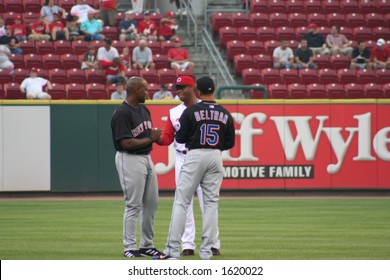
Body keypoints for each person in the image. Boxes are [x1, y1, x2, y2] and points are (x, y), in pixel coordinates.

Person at [163, 76, 235, 260]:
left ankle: (172, 250)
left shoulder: (192, 111)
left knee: (181, 201)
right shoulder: (225, 113)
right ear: (214, 89)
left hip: (194, 155)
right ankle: (207, 251)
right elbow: (230, 142)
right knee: (211, 204)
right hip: (215, 156)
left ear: (198, 91)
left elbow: (179, 139)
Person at [110, 76, 172, 259]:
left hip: (146, 157)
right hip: (128, 158)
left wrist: (156, 137)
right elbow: (126, 143)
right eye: (145, 89)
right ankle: (129, 247)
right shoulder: (122, 112)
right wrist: (151, 138)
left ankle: (147, 245)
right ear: (136, 91)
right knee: (133, 205)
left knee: (151, 204)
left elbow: (145, 136)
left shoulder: (144, 109)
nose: (148, 92)